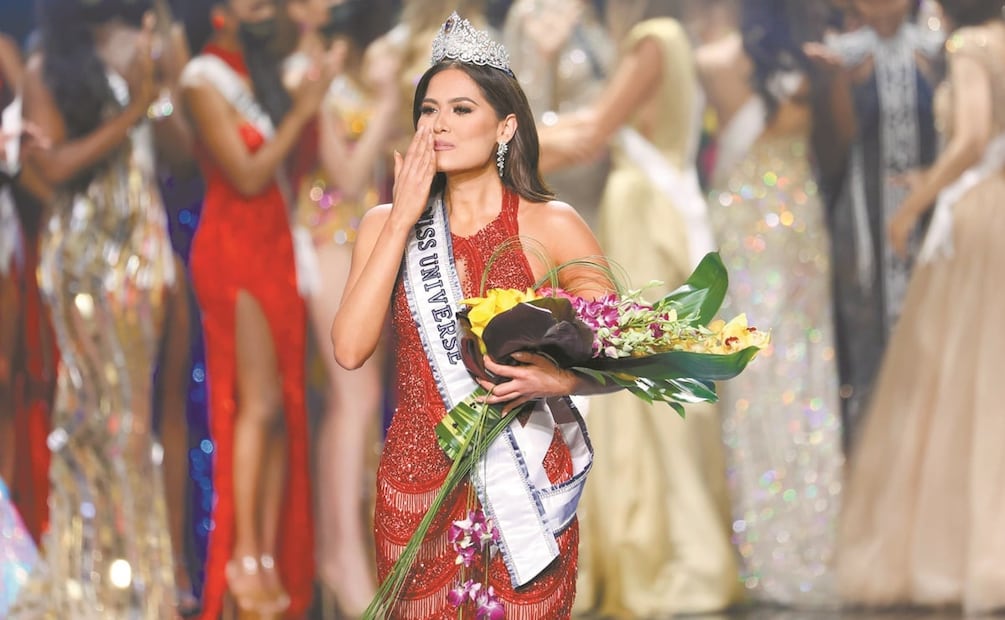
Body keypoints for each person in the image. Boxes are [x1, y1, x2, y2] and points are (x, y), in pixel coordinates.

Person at [332, 12, 612, 618]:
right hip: (417, 483)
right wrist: (403, 216)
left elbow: (625, 345)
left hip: (527, 487)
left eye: (460, 109)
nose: (438, 125)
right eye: (428, 110)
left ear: (505, 124)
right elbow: (350, 348)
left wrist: (561, 379)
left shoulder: (552, 224)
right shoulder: (386, 225)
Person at [536, 2, 739, 615]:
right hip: (655, 211)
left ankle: (666, 553)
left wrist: (505, 138)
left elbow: (596, 131)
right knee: (643, 378)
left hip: (643, 215)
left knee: (639, 382)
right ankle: (657, 546)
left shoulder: (653, 39)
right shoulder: (667, 39)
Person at [10, 0, 185, 616]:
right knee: (91, 418)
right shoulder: (46, 63)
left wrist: (165, 80)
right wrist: (133, 109)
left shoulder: (139, 41)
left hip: (141, 244)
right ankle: (92, 581)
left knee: (134, 423)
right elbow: (52, 166)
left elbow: (182, 154)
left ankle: (139, 578)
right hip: (84, 256)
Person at [837, 0, 1005, 613]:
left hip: (980, 221)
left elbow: (973, 137)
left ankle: (967, 553)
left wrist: (913, 206)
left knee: (961, 375)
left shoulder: (969, 50)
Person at [179, 0, 336, 616]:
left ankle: (267, 551)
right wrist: (300, 114)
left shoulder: (262, 72)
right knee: (257, 402)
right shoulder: (201, 79)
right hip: (233, 245)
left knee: (280, 410)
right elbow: (246, 173)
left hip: (276, 243)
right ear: (219, 9)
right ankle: (244, 551)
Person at [699, 0, 845, 607]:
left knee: (771, 370)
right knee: (786, 371)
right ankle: (795, 543)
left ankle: (774, 542)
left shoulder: (721, 59)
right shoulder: (803, 65)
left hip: (765, 224)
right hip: (781, 223)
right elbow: (834, 142)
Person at [283, 0, 397, 613]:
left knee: (359, 399)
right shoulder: (307, 70)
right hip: (327, 236)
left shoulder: (354, 67)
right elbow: (348, 174)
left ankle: (347, 550)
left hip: (367, 240)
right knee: (352, 394)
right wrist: (382, 106)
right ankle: (339, 556)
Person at [805, 0, 943, 445]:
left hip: (927, 216)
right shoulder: (839, 55)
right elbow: (831, 144)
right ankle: (873, 450)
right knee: (865, 327)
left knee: (931, 323)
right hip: (861, 221)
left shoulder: (938, 51)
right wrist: (835, 83)